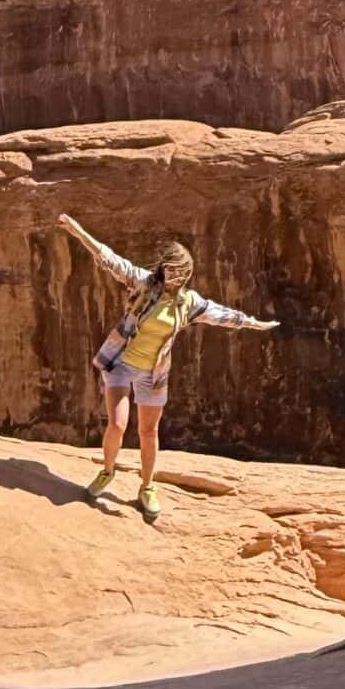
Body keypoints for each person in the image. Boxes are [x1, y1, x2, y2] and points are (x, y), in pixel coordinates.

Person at [59, 215, 277, 519]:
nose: (178, 277)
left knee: (149, 431)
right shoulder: (144, 285)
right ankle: (107, 472)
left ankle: (147, 487)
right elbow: (109, 259)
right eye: (173, 271)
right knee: (118, 424)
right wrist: (78, 231)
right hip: (122, 364)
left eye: (183, 273)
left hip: (154, 372)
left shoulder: (189, 303)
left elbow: (222, 315)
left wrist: (255, 323)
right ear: (163, 269)